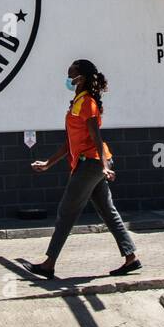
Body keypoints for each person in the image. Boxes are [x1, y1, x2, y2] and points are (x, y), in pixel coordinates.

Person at [22, 59, 141, 279]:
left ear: (81, 78)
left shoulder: (87, 104)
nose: (67, 78)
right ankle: (131, 258)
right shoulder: (77, 102)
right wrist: (49, 163)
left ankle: (48, 264)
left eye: (71, 74)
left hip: (92, 164)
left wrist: (104, 167)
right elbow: (70, 142)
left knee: (66, 212)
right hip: (90, 163)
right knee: (107, 210)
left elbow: (96, 137)